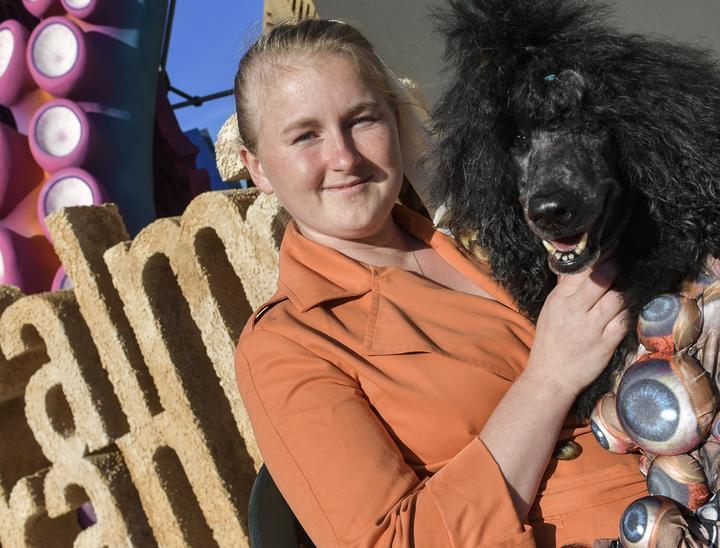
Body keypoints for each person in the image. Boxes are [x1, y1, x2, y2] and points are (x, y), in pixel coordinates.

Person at [231, 19, 644, 547]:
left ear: (397, 123)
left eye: (362, 120)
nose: (343, 157)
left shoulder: (501, 232)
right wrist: (549, 379)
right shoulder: (287, 345)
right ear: (258, 168)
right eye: (305, 135)